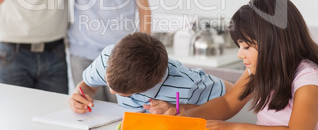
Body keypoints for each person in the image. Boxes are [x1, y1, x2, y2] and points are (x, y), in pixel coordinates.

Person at [163, 0, 318, 130]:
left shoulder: (307, 79)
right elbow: (227, 103)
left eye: (246, 47)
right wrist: (188, 116)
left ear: (273, 43)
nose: (240, 54)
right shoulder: (262, 68)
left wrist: (234, 128)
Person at [69, 32, 233, 114]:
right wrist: (79, 95)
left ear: (157, 82)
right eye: (107, 81)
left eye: (123, 93)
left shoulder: (186, 82)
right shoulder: (106, 59)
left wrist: (179, 108)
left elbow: (230, 95)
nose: (111, 91)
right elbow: (88, 86)